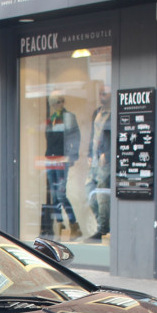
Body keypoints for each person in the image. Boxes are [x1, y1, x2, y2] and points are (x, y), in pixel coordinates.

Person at [44, 94, 81, 238]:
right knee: (54, 194)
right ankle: (60, 226)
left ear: (63, 102)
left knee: (60, 194)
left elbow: (75, 137)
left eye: (58, 102)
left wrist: (72, 156)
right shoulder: (51, 119)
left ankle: (73, 224)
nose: (56, 105)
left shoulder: (68, 117)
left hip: (62, 159)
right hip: (50, 159)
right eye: (54, 103)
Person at [86, 87, 112, 241]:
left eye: (105, 93)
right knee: (89, 193)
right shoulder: (97, 112)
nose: (101, 95)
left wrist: (107, 155)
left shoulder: (114, 112)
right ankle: (103, 225)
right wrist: (90, 154)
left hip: (105, 161)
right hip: (94, 160)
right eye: (100, 92)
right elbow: (92, 135)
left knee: (102, 196)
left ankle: (102, 230)